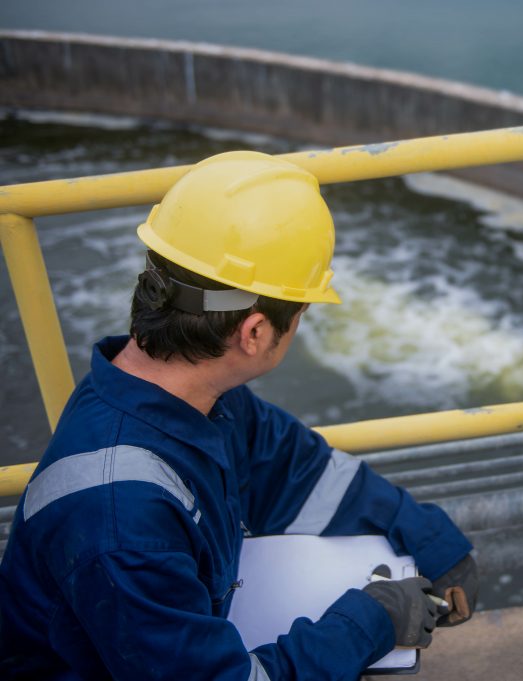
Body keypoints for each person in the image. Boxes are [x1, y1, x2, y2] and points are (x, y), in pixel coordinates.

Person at [0, 151, 479, 680]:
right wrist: (372, 622)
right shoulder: (122, 516)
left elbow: (301, 475)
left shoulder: (200, 398)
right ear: (254, 333)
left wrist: (430, 542)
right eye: (300, 314)